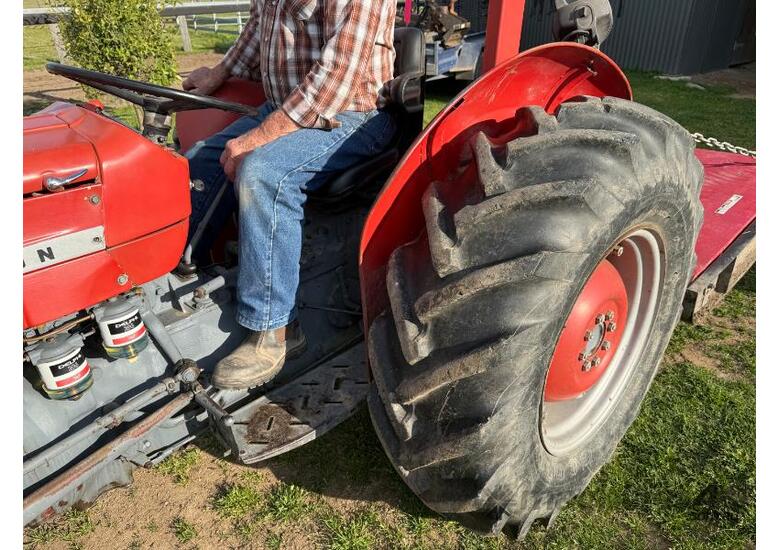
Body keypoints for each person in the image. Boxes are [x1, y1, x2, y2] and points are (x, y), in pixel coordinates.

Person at [183, 0, 397, 390]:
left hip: (351, 113)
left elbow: (339, 74)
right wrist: (218, 74)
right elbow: (257, 32)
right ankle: (182, 269)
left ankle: (274, 329)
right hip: (284, 106)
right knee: (199, 160)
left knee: (263, 174)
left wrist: (261, 136)